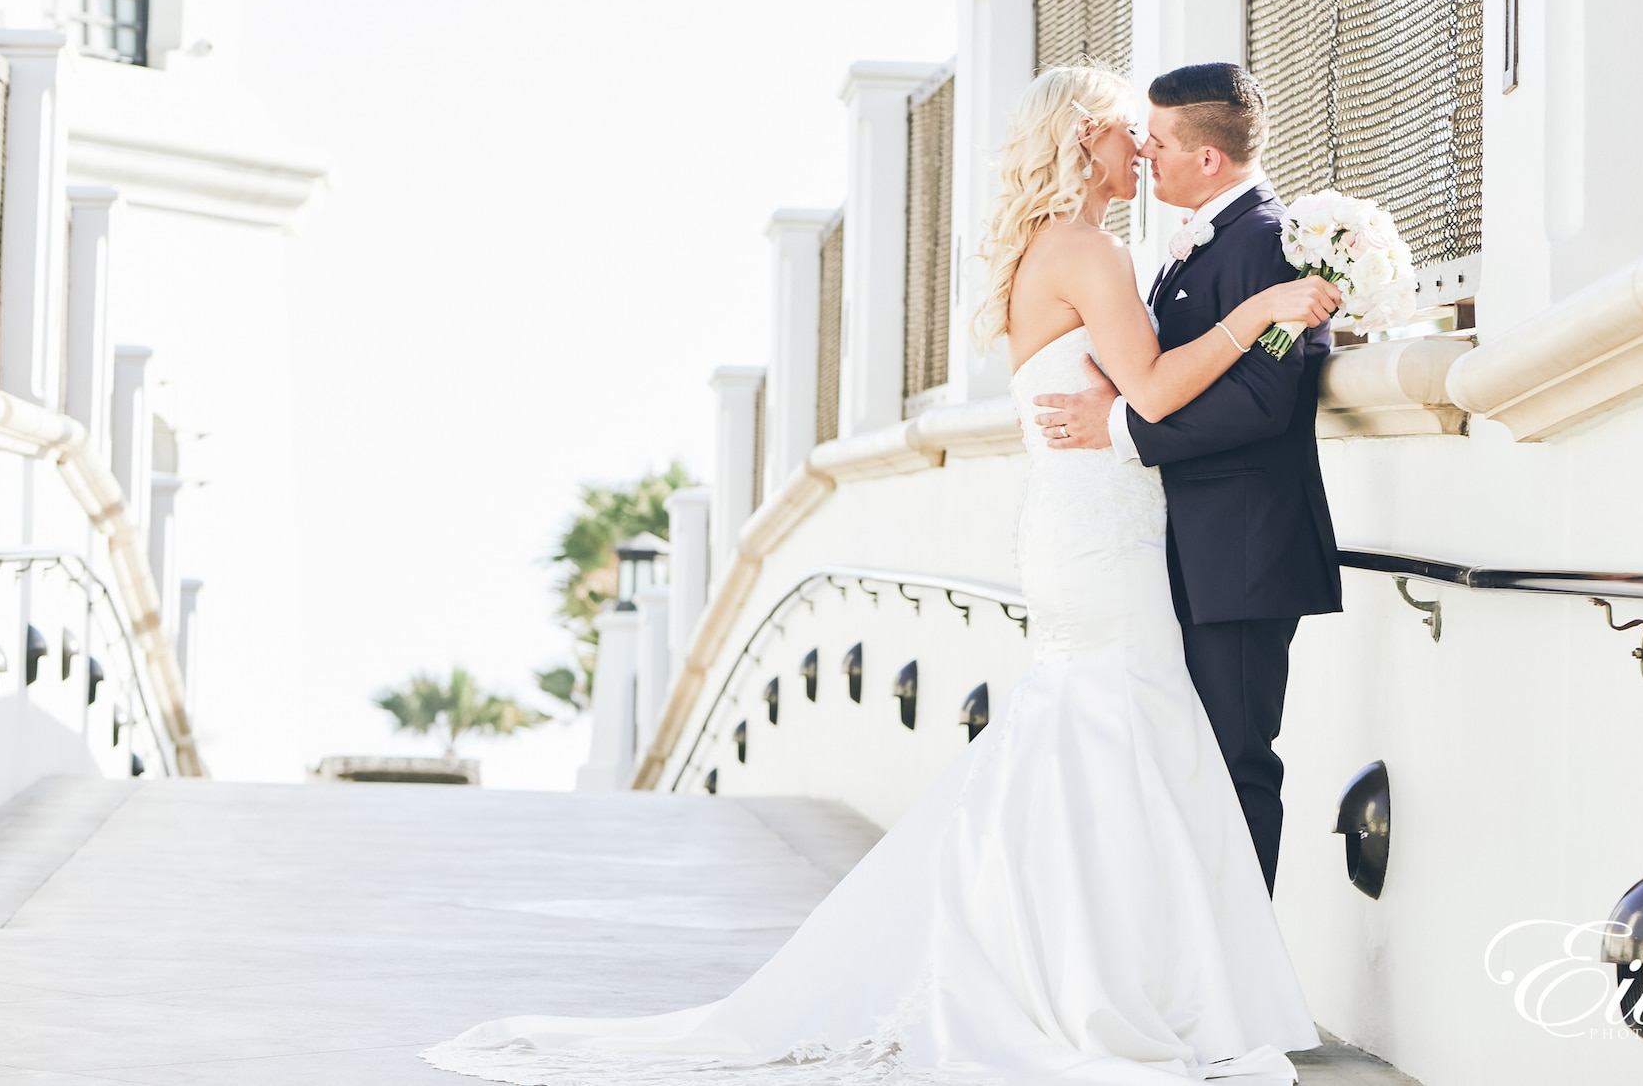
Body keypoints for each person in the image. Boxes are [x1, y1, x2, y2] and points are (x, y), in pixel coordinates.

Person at [425, 64, 1337, 1086]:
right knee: (1111, 739)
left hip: (1088, 527)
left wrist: (1245, 325)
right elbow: (1162, 389)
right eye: (1130, 132)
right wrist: (1265, 306)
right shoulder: (1085, 251)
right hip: (1099, 536)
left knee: (1091, 749)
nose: (1142, 150)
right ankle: (1106, 981)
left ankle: (1089, 970)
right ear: (1086, 138)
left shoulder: (1066, 247)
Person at [1031, 61, 1344, 895]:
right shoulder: (1204, 237)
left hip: (1242, 557)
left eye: (1159, 139)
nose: (1144, 148)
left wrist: (1123, 426)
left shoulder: (1272, 241)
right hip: (1194, 552)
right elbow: (1167, 363)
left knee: (1237, 767)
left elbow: (1265, 402)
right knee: (1194, 770)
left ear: (1209, 160)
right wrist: (1113, 382)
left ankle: (1246, 996)